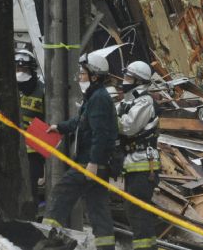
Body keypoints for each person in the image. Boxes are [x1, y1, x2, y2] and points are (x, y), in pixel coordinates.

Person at [42, 53, 118, 250]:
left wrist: (93, 163)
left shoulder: (99, 98)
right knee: (98, 209)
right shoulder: (94, 96)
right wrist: (59, 127)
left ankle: (49, 241)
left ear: (94, 76)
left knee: (62, 192)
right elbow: (80, 122)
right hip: (97, 164)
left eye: (83, 73)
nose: (79, 77)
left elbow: (101, 134)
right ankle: (106, 247)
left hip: (89, 163)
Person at [116, 61, 160, 250]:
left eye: (128, 77)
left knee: (137, 211)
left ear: (138, 81)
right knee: (134, 210)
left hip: (144, 164)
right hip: (132, 163)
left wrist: (108, 117)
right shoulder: (128, 101)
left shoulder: (144, 102)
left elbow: (127, 126)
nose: (124, 81)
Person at [15, 49, 46, 209]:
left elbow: (49, 122)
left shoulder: (42, 91)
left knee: (30, 188)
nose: (20, 73)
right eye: (18, 69)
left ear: (32, 70)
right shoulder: (10, 89)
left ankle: (31, 215)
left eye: (24, 70)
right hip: (12, 149)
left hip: (34, 153)